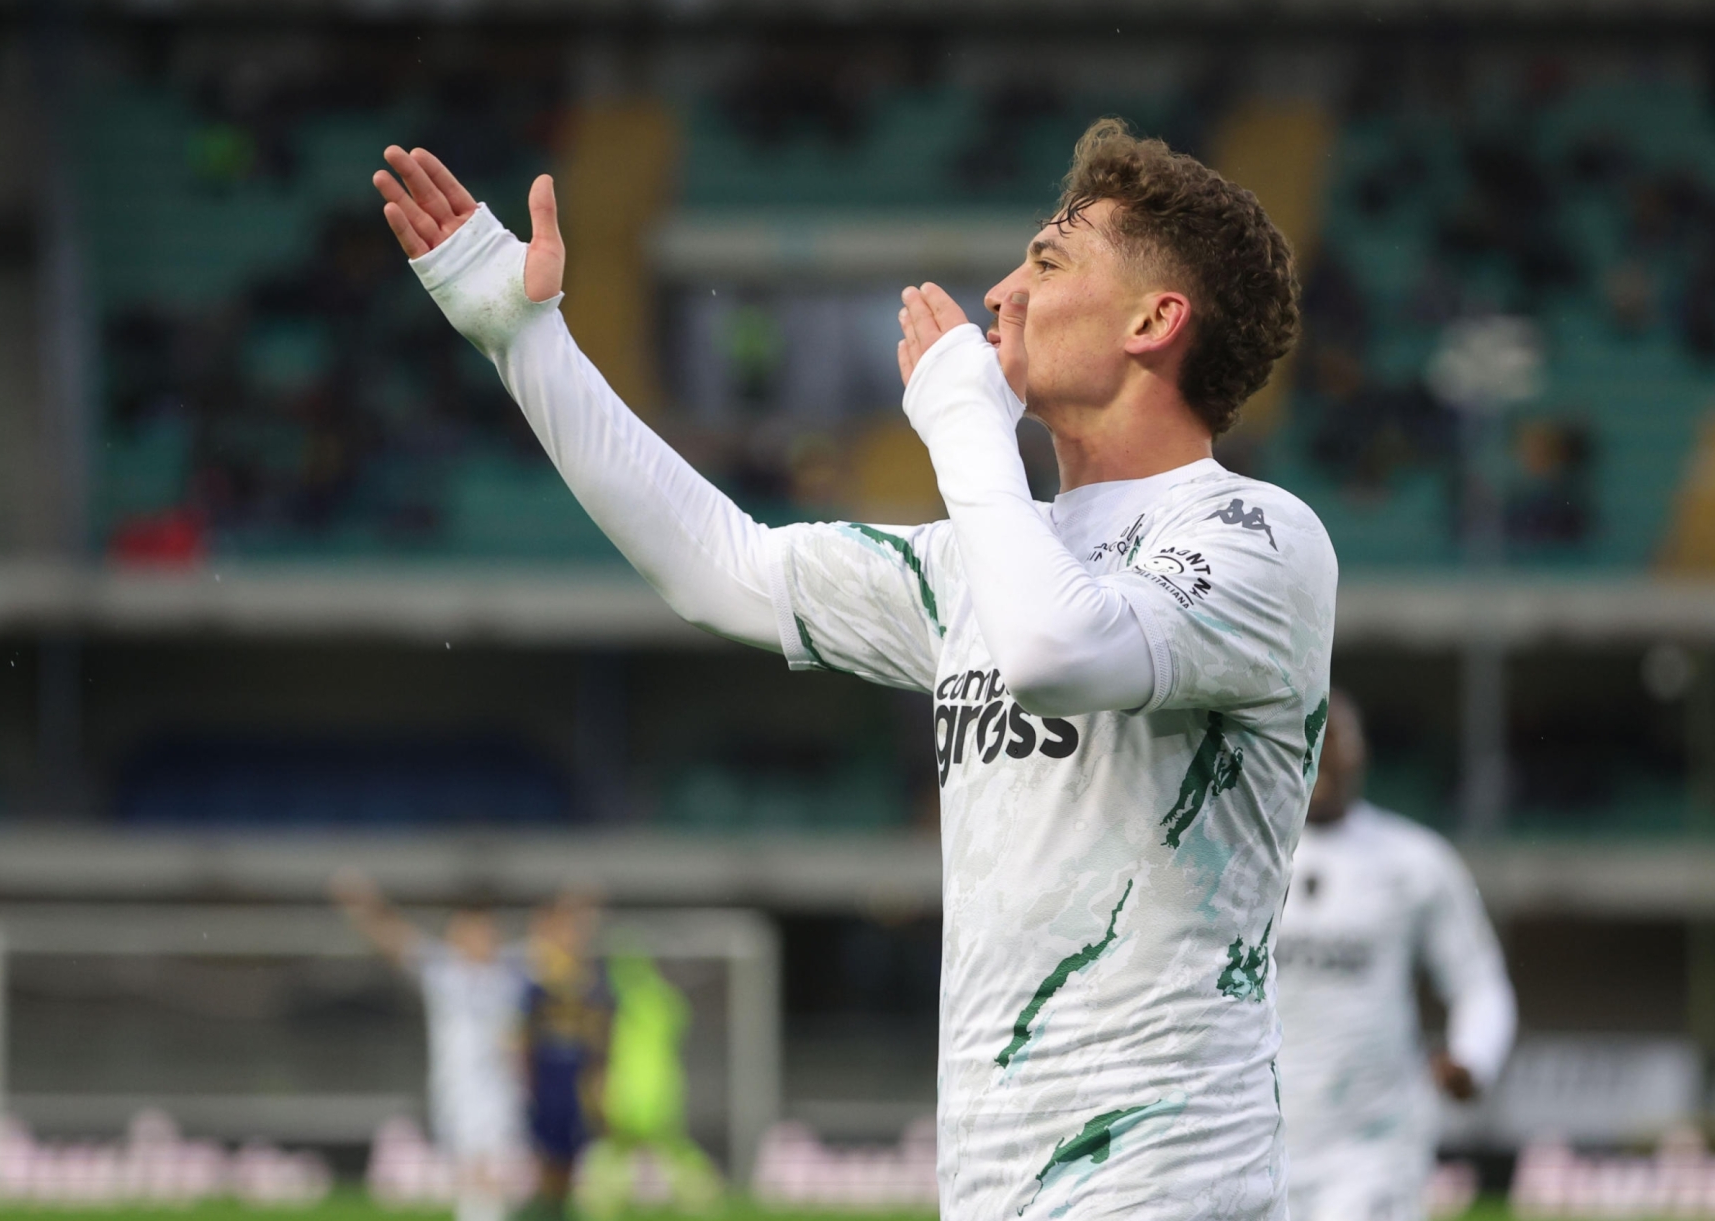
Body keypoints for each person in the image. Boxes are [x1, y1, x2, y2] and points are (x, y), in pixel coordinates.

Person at [373, 114, 1333, 1218]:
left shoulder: (1260, 540)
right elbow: (721, 567)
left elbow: (1058, 652)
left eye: (1049, 260)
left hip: (1170, 1186)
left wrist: (964, 424)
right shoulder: (981, 560)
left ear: (1156, 321)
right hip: (989, 1186)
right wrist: (524, 342)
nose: (1002, 293)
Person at [1273, 689, 1517, 1221]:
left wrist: (1474, 1057)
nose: (1323, 753)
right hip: (1256, 1139)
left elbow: (1479, 982)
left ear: (1362, 753)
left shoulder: (1416, 860)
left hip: (1374, 1146)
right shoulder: (1241, 857)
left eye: (1337, 737)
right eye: (1310, 738)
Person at [332, 869, 527, 1221]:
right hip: (457, 1089)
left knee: (493, 1171)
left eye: (485, 930)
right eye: (470, 930)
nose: (480, 937)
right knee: (472, 1171)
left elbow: (553, 942)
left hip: (501, 1089)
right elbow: (395, 940)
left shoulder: (509, 973)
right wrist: (363, 905)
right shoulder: (444, 971)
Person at [574, 948, 724, 1217]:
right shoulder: (667, 1001)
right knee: (667, 1160)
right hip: (655, 1100)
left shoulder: (626, 1000)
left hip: (633, 1100)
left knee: (614, 1163)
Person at [520, 890, 611, 1221]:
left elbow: (599, 1037)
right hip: (549, 1082)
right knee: (550, 1159)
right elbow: (525, 1038)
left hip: (577, 1081)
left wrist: (600, 1080)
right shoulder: (538, 978)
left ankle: (555, 1210)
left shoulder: (590, 981)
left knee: (572, 1158)